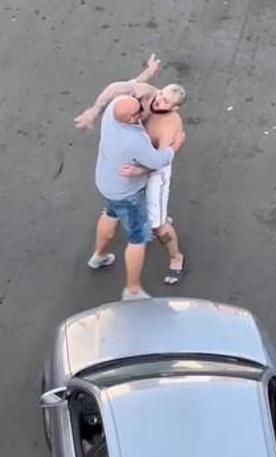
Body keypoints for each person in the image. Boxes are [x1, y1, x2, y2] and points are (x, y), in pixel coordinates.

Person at [75, 54, 188, 284]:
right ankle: (100, 254)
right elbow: (118, 88)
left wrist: (142, 172)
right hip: (135, 163)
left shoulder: (170, 125)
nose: (159, 102)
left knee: (157, 224)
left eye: (166, 102)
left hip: (153, 168)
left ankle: (176, 258)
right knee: (113, 211)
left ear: (175, 108)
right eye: (160, 96)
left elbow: (162, 159)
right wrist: (94, 110)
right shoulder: (147, 94)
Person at [85, 95, 183, 300]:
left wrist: (147, 74)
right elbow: (158, 161)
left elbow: (122, 89)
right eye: (139, 111)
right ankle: (133, 289)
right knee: (142, 236)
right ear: (131, 119)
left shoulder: (113, 111)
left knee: (110, 214)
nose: (146, 108)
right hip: (128, 193)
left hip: (107, 183)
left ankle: (99, 256)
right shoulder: (135, 141)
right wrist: (176, 146)